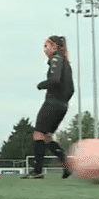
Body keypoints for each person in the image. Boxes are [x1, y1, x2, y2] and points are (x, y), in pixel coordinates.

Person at [22, 35, 74, 179]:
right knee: (46, 136)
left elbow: (54, 80)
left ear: (55, 46)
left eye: (47, 45)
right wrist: (64, 101)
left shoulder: (56, 59)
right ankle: (65, 163)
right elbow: (72, 89)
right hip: (62, 105)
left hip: (52, 103)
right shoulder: (66, 63)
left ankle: (37, 171)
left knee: (38, 134)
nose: (44, 49)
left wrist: (42, 85)